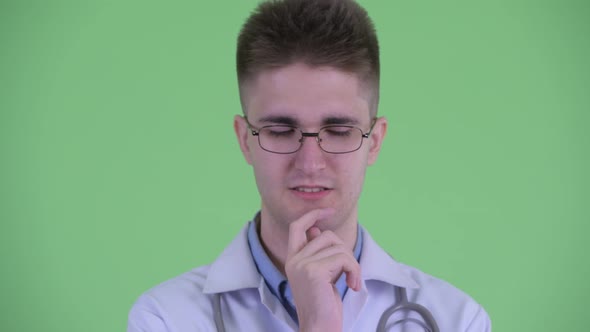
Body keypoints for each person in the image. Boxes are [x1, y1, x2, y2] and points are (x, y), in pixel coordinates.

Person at [128, 0, 491, 331]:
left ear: (374, 141)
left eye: (338, 130)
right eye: (281, 130)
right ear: (245, 140)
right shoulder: (164, 317)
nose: (310, 163)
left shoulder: (457, 319)